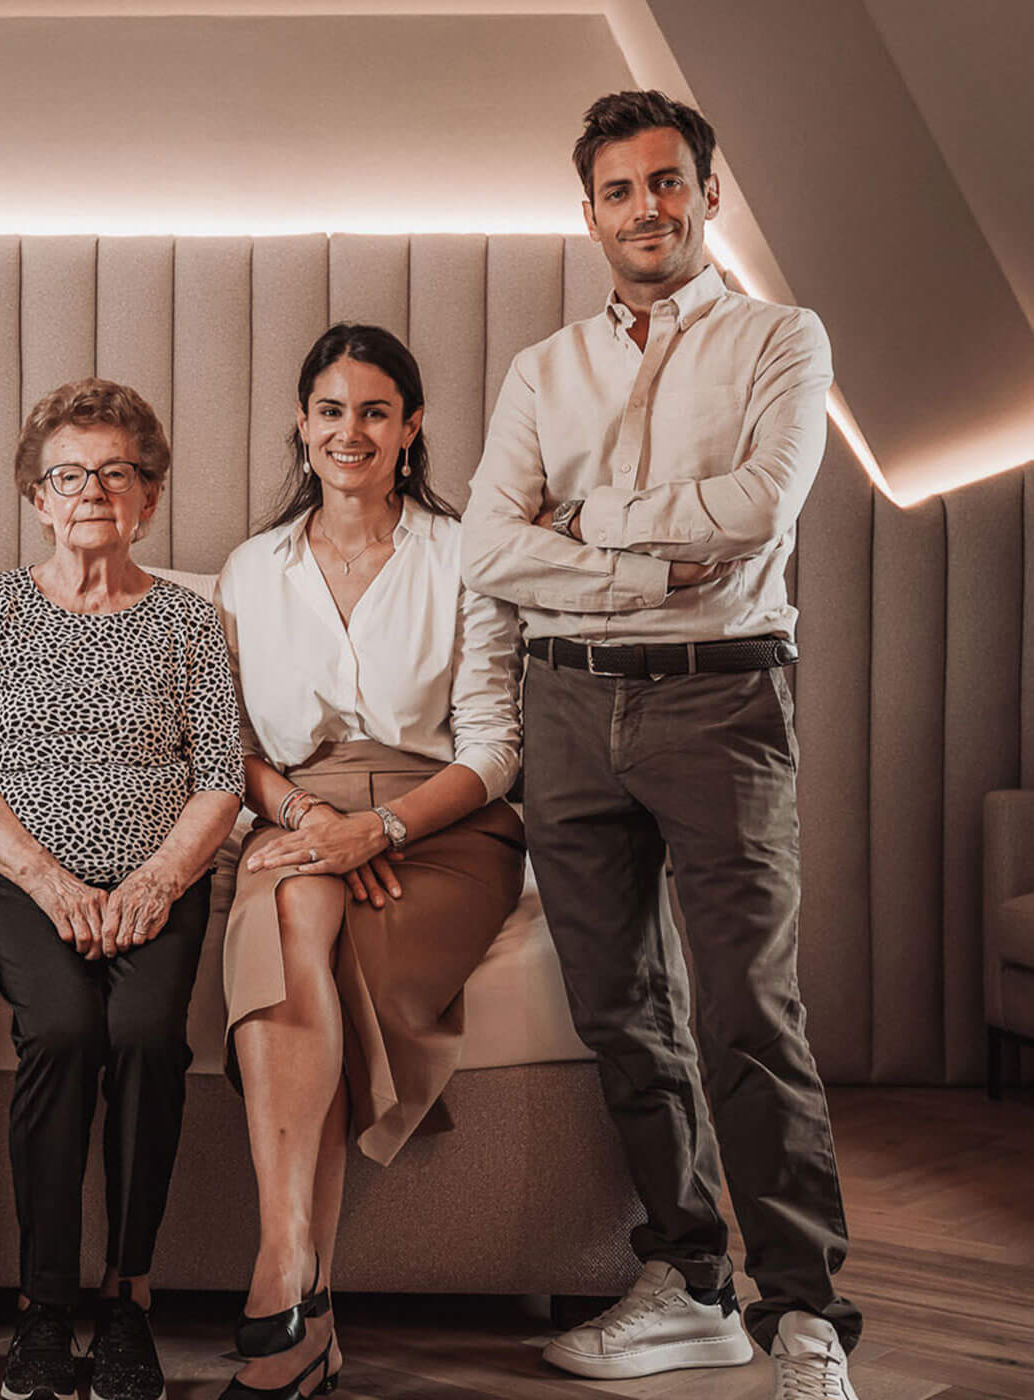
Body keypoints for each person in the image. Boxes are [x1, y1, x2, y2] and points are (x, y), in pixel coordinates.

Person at [461, 90, 860, 1399]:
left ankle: (805, 1313)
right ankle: (691, 1279)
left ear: (709, 193)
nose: (647, 208)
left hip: (720, 702)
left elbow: (757, 509)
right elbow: (491, 549)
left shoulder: (780, 339)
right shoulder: (544, 369)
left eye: (668, 181)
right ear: (590, 214)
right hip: (569, 706)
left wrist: (586, 524)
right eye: (621, 190)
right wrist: (649, 564)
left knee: (750, 1009)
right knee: (621, 1010)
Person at [211, 325, 525, 1400]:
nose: (351, 432)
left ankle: (290, 1283)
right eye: (331, 410)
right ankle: (295, 1270)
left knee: (314, 935)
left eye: (375, 411)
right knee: (292, 903)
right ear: (302, 424)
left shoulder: (463, 552)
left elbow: (496, 747)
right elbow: (231, 746)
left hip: (442, 827)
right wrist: (310, 818)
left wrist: (380, 831)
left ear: (412, 427)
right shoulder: (252, 568)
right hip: (297, 807)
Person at [0, 379, 245, 1400]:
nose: (92, 493)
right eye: (68, 475)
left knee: (148, 1035)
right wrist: (50, 881)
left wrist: (157, 879)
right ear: (37, 496)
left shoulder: (192, 620)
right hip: (22, 878)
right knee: (65, 1032)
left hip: (160, 878)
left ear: (149, 497)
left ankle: (129, 1296)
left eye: (117, 473)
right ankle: (42, 1305)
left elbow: (221, 777)